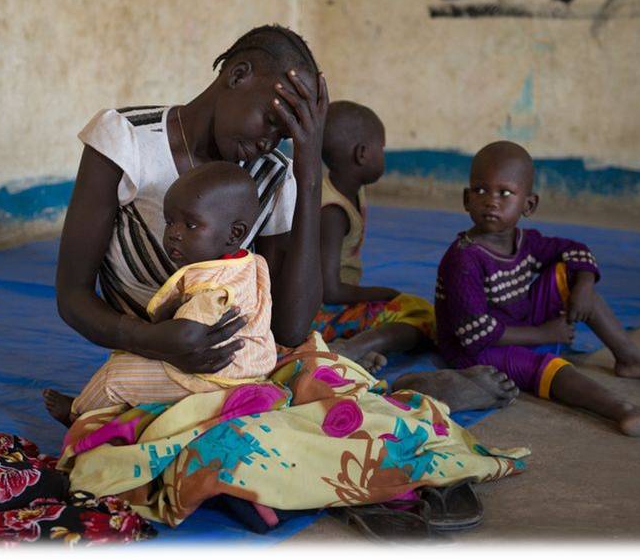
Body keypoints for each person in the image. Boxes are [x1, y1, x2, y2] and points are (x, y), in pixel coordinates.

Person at [43, 24, 515, 420]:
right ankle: (384, 390)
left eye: (287, 135)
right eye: (272, 121)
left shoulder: (273, 176)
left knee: (296, 399)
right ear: (238, 75)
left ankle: (417, 392)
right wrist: (148, 338)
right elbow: (72, 295)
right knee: (151, 440)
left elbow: (289, 327)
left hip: (238, 364)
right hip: (149, 357)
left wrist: (309, 175)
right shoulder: (126, 140)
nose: (272, 143)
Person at [433, 140, 640, 437]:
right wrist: (545, 334)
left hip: (515, 323)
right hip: (476, 351)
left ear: (529, 205)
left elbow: (575, 250)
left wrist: (585, 286)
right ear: (466, 199)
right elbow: (474, 335)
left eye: (505, 193)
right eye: (480, 190)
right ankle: (628, 413)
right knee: (549, 368)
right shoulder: (464, 258)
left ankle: (629, 357)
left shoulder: (527, 241)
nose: (491, 201)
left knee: (571, 274)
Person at [63, 162, 278, 423]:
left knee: (116, 375)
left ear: (235, 233)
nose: (174, 234)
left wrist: (148, 340)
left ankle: (78, 416)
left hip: (216, 378)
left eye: (190, 225)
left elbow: (186, 338)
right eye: (170, 222)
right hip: (250, 370)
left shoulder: (213, 285)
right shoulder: (248, 263)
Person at [311, 102, 437, 371]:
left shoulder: (350, 189)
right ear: (362, 154)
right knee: (422, 315)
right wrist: (386, 293)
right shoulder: (333, 212)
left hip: (332, 305)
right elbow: (329, 290)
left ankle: (359, 347)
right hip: (320, 313)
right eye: (382, 148)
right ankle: (355, 347)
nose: (383, 154)